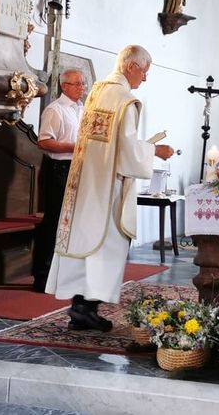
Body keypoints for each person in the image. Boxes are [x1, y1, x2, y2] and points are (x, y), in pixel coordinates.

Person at [45, 45, 175, 331]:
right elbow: (127, 150)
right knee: (106, 244)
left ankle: (80, 307)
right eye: (144, 71)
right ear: (131, 66)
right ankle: (88, 307)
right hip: (108, 187)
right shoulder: (125, 100)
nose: (145, 78)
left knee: (85, 242)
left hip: (85, 179)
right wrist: (155, 150)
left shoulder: (97, 91)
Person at [32, 69, 86, 293]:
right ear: (64, 86)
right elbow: (44, 142)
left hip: (76, 168)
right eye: (77, 84)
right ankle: (41, 276)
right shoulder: (55, 110)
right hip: (58, 169)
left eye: (83, 84)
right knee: (53, 222)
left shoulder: (82, 109)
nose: (82, 88)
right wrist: (75, 147)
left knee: (71, 224)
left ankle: (63, 273)